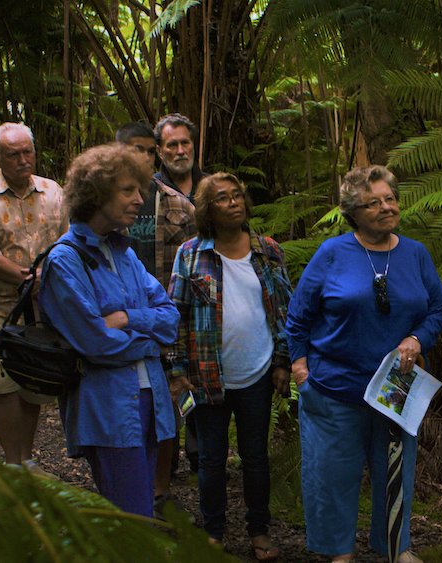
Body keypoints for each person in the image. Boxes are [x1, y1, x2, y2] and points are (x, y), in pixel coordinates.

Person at [286, 165, 442, 563]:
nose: (385, 207)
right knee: (332, 476)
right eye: (373, 202)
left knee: (394, 472)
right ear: (352, 212)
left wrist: (416, 339)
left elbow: (438, 310)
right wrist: (300, 369)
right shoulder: (333, 253)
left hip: (395, 386)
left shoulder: (415, 253)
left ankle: (396, 546)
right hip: (334, 386)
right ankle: (336, 552)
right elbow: (298, 316)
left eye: (390, 198)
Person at [38, 143, 179, 517]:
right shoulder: (64, 261)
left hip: (149, 397)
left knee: (138, 513)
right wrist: (152, 344)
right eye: (128, 190)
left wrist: (127, 319)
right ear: (97, 193)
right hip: (108, 405)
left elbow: (170, 316)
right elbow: (96, 343)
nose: (139, 199)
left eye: (141, 189)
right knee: (131, 519)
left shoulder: (125, 253)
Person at [168, 172, 291, 560]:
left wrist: (283, 362)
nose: (234, 203)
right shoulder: (191, 253)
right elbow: (176, 314)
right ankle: (214, 531)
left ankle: (259, 531)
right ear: (207, 210)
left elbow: (285, 311)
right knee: (210, 457)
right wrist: (176, 368)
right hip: (207, 374)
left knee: (256, 456)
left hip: (257, 372)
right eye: (223, 198)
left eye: (238, 196)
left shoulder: (268, 250)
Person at [0, 122, 68, 476]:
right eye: (13, 154)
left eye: (28, 152)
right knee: (2, 382)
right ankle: (12, 464)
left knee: (31, 376)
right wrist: (29, 281)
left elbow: (69, 243)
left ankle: (26, 460)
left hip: (41, 308)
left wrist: (49, 282)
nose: (23, 160)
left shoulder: (54, 192)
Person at [115, 121, 197, 515]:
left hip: (165, 316)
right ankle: (125, 484)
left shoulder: (179, 205)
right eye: (136, 149)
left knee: (167, 406)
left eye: (150, 151)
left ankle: (160, 487)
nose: (144, 157)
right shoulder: (104, 203)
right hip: (117, 319)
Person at [154, 113, 207, 480]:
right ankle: (165, 461)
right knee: (168, 380)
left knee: (199, 376)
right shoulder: (148, 193)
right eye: (171, 144)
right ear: (159, 150)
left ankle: (200, 455)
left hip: (206, 302)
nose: (179, 150)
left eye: (184, 142)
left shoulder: (212, 186)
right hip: (163, 299)